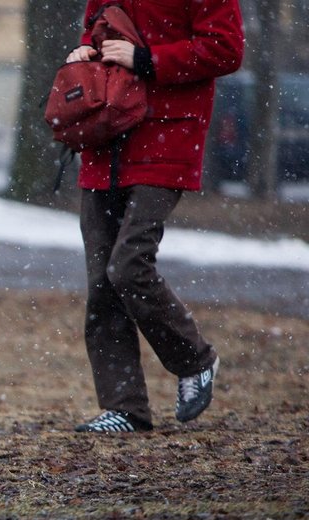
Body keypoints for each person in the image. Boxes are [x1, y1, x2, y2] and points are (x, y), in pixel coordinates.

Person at [67, 0, 245, 433]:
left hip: (167, 138)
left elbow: (226, 49)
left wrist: (148, 60)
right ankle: (124, 408)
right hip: (103, 137)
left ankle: (196, 361)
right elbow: (99, 30)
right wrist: (86, 53)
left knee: (128, 266)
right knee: (101, 283)